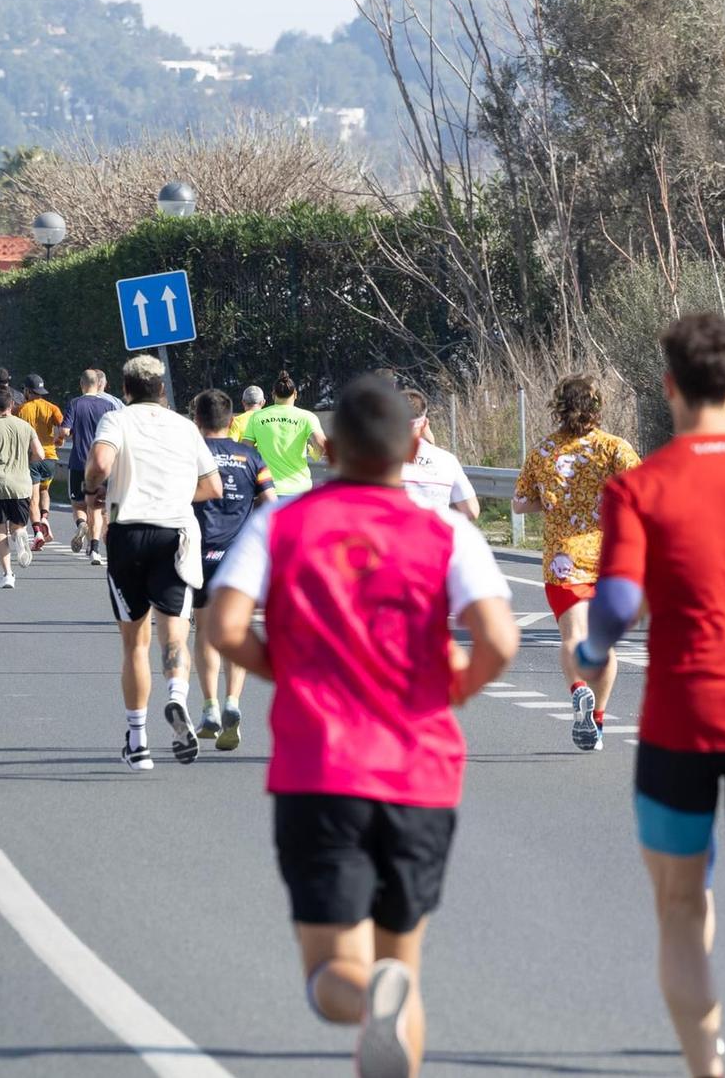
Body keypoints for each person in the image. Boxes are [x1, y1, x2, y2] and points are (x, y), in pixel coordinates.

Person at [204, 373, 518, 1078]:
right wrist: (454, 688)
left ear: (332, 446)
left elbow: (224, 625)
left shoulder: (282, 522)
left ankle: (367, 994)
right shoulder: (445, 532)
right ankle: (387, 992)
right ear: (412, 447)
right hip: (421, 774)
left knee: (331, 974)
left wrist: (288, 671)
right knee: (399, 961)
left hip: (320, 771)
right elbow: (499, 639)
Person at [573, 315, 725, 1067]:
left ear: (668, 387)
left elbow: (614, 603)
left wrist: (593, 648)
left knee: (680, 908)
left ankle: (708, 1064)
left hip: (681, 722)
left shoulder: (639, 488)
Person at [84, 354, 222, 767]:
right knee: (175, 636)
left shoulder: (117, 419)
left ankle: (138, 741)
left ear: (125, 390)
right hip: (176, 533)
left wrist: (93, 488)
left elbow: (101, 464)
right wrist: (178, 496)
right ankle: (177, 699)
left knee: (135, 645)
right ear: (162, 390)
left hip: (129, 531)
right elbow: (212, 485)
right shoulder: (185, 426)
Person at [510, 373, 640, 752]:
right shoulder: (615, 448)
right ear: (597, 408)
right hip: (611, 555)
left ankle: (577, 689)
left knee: (572, 636)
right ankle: (597, 720)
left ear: (559, 407)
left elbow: (519, 502)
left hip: (563, 556)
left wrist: (551, 504)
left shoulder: (543, 451)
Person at [188, 388, 274, 751]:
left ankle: (208, 707)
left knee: (206, 632)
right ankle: (232, 703)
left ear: (197, 420)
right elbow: (270, 503)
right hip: (239, 558)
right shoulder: (251, 455)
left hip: (198, 553)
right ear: (231, 420)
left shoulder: (191, 454)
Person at [0, 384, 45, 589]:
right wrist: (25, 462)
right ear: (12, 405)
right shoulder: (25, 427)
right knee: (18, 525)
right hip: (21, 483)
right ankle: (20, 536)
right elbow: (40, 454)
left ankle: (7, 574)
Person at [61, 368, 123, 565]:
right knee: (98, 507)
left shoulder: (75, 404)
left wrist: (63, 436)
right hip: (102, 463)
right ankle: (95, 550)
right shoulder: (108, 405)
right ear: (100, 384)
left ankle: (81, 524)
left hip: (79, 463)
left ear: (81, 384)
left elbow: (65, 430)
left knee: (79, 505)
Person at [242, 370, 326, 496]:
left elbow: (245, 451)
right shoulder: (307, 417)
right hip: (299, 490)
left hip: (266, 490)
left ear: (273, 394)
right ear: (295, 394)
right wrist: (315, 454)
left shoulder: (257, 417)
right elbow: (322, 444)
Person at [399, 390, 479, 520]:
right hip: (433, 536)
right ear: (425, 424)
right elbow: (471, 511)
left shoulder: (372, 459)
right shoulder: (447, 460)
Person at [16, 374, 65, 548]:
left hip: (32, 458)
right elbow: (65, 429)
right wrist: (59, 440)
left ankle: (37, 532)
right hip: (50, 457)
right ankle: (45, 518)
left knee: (33, 498)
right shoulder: (52, 408)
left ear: (28, 391)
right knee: (45, 491)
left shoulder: (20, 410)